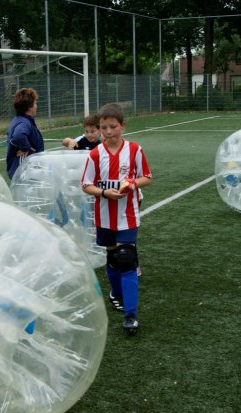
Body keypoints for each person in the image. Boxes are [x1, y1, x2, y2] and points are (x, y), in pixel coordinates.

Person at [81, 103, 152, 333]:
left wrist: (132, 183)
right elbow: (86, 184)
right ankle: (116, 293)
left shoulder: (134, 150)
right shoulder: (94, 154)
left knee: (127, 258)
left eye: (113, 127)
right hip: (104, 216)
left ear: (122, 126)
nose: (108, 132)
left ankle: (131, 314)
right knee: (112, 259)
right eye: (103, 128)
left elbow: (146, 177)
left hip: (127, 215)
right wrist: (103, 193)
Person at [6, 88, 44, 179]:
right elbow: (18, 136)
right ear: (29, 107)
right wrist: (25, 147)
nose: (36, 105)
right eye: (35, 103)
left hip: (25, 170)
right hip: (24, 171)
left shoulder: (19, 120)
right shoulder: (24, 122)